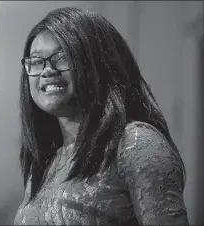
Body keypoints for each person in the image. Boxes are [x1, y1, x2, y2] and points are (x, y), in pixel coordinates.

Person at [14, 7, 189, 225]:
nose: (47, 70)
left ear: (98, 64)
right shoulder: (47, 161)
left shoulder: (135, 144)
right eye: (36, 61)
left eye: (62, 57)